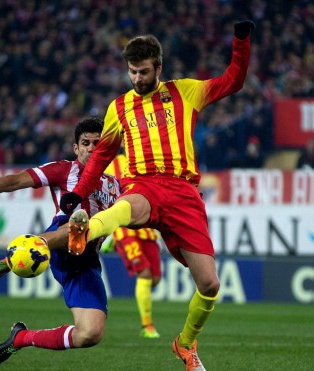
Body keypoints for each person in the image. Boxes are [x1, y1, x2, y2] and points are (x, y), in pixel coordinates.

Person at [59, 21, 255, 371]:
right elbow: (102, 156)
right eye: (132, 72)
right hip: (142, 182)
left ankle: (185, 344)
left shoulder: (187, 92)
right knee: (127, 206)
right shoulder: (118, 107)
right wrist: (77, 195)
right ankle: (83, 229)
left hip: (183, 192)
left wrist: (240, 41)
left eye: (144, 71)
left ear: (158, 67)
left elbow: (234, 80)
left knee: (209, 284)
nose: (137, 78)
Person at [0, 117, 119, 365]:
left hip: (86, 260)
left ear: (105, 149)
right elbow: (15, 181)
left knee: (90, 334)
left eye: (96, 144)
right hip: (61, 238)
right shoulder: (63, 170)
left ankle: (21, 338)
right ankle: (43, 245)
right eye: (85, 143)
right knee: (74, 224)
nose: (91, 148)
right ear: (76, 148)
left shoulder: (115, 185)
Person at [101, 153, 162, 339]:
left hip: (147, 225)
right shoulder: (112, 164)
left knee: (155, 279)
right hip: (125, 227)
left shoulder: (151, 160)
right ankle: (147, 326)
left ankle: (112, 243)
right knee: (144, 273)